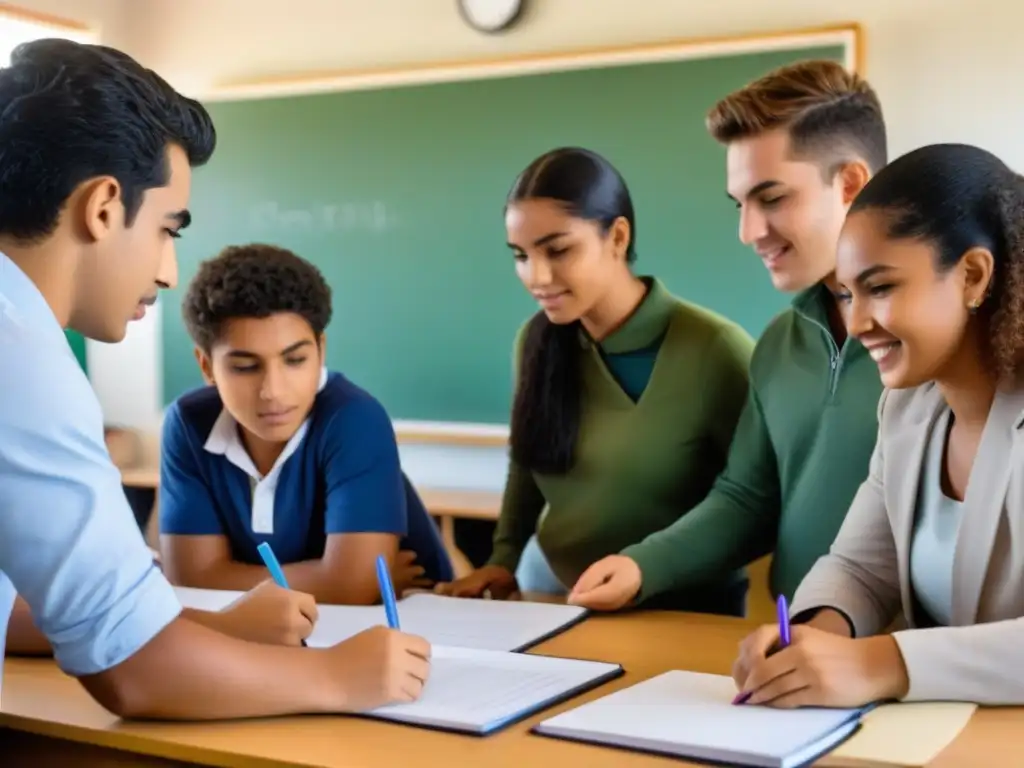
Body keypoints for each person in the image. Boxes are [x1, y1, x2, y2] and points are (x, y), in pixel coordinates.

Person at [0, 38, 429, 718]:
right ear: (104, 207)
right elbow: (135, 674)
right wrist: (339, 678)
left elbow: (34, 608)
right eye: (168, 229)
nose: (169, 271)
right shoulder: (22, 359)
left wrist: (211, 627)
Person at [569, 59, 889, 612]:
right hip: (801, 655)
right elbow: (748, 498)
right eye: (741, 205)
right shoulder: (779, 345)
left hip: (920, 667)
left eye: (772, 198)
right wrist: (644, 564)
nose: (749, 232)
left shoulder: (947, 349)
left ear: (851, 184)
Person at [733, 142, 1024, 708]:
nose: (858, 321)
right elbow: (862, 567)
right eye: (847, 293)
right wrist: (812, 639)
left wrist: (885, 662)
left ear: (972, 274)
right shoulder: (907, 407)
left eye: (881, 287)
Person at [435, 146, 756, 616]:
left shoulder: (715, 349)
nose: (536, 276)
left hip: (687, 613)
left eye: (558, 250)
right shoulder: (536, 340)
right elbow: (527, 462)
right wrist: (502, 559)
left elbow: (752, 501)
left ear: (617, 237)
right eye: (521, 255)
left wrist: (648, 567)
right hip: (562, 601)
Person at [159, 244, 454, 603]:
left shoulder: (355, 419)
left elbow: (357, 587)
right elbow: (189, 580)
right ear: (207, 366)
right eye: (245, 367)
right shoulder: (188, 424)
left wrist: (223, 576)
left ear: (320, 351)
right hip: (271, 633)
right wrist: (332, 580)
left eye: (295, 360)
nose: (273, 391)